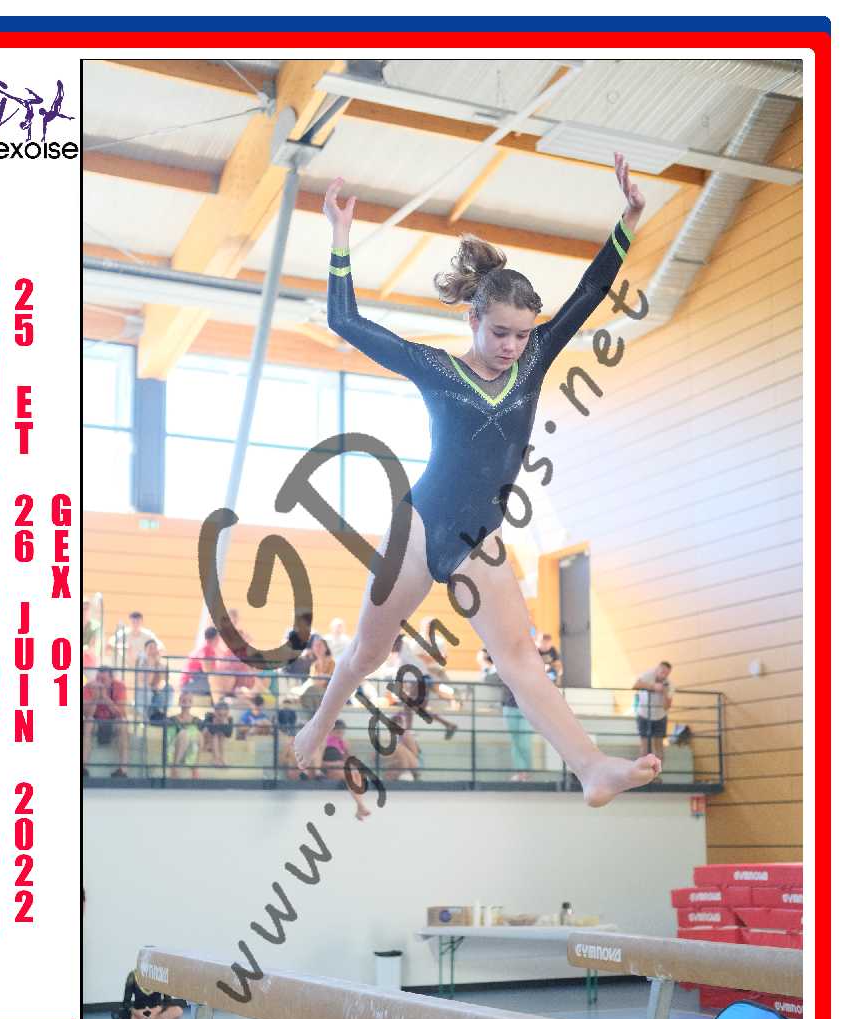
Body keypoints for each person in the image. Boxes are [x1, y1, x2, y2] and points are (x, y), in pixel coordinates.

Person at [294, 158, 660, 811]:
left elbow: (592, 289)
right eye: (500, 333)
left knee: (520, 659)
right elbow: (346, 324)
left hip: (480, 539)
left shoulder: (535, 358)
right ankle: (319, 725)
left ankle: (592, 769)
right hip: (417, 529)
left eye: (522, 334)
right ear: (473, 319)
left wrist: (628, 220)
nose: (512, 346)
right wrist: (340, 238)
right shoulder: (437, 369)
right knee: (366, 655)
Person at [82, 667, 130, 778]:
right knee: (88, 723)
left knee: (123, 723)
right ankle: (83, 767)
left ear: (111, 679)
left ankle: (123, 769)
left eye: (103, 679)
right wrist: (95, 698)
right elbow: (87, 714)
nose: (100, 682)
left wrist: (105, 697)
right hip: (95, 720)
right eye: (98, 679)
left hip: (113, 720)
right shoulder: (89, 687)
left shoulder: (119, 686)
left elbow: (120, 713)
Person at [633, 661, 675, 761]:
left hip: (660, 718)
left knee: (659, 747)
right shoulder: (648, 675)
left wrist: (664, 693)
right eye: (662, 672)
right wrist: (653, 687)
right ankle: (643, 770)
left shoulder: (670, 685)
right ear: (657, 670)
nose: (664, 675)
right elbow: (635, 686)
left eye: (666, 673)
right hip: (643, 715)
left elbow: (666, 707)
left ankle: (657, 770)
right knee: (644, 747)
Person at [166, 692, 202, 779]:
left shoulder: (197, 720)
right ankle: (175, 767)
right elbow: (169, 736)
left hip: (191, 748)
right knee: (183, 734)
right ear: (179, 702)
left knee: (199, 735)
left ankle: (195, 766)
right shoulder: (172, 719)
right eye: (184, 701)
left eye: (189, 701)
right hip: (176, 748)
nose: (186, 703)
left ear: (192, 703)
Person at [180, 626, 220, 696]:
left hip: (192, 681)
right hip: (189, 684)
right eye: (217, 638)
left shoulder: (206, 648)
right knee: (216, 683)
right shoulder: (206, 649)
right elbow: (207, 670)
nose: (219, 640)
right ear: (214, 639)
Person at [202, 700, 234, 768]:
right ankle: (216, 758)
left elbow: (228, 735)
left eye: (224, 715)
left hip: (218, 740)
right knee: (214, 734)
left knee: (222, 734)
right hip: (206, 741)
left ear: (228, 713)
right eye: (220, 715)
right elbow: (208, 730)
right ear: (215, 712)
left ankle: (222, 758)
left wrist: (225, 724)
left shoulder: (229, 719)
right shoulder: (209, 716)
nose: (222, 717)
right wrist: (215, 722)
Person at [82, 600, 101, 672]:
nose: (84, 611)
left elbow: (93, 645)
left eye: (86, 609)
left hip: (90, 662)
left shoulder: (95, 626)